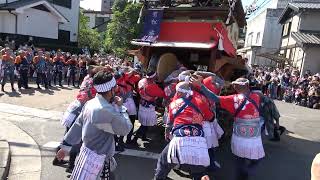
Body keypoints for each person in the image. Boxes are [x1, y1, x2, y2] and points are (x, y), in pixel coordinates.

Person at [56, 71, 132, 179]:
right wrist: (121, 108)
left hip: (86, 154)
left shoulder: (91, 103)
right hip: (98, 160)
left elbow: (78, 124)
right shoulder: (106, 110)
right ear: (111, 90)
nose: (116, 89)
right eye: (115, 87)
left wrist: (65, 146)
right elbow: (125, 129)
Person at [192, 77, 264, 180]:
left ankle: (242, 175)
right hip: (254, 136)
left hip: (240, 136)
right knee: (257, 158)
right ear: (247, 86)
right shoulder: (256, 97)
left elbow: (214, 98)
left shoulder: (234, 99)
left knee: (240, 160)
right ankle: (247, 171)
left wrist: (201, 86)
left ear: (236, 87)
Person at [155, 82, 213, 180]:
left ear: (180, 93)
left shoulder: (174, 104)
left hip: (179, 138)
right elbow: (210, 118)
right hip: (198, 140)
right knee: (198, 170)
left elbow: (169, 123)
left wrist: (167, 134)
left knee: (163, 161)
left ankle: (159, 178)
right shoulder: (201, 102)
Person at [133, 72, 165, 143]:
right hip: (148, 107)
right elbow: (162, 94)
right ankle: (134, 139)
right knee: (145, 124)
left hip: (142, 104)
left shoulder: (141, 81)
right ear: (153, 77)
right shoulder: (152, 86)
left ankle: (143, 137)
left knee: (144, 123)